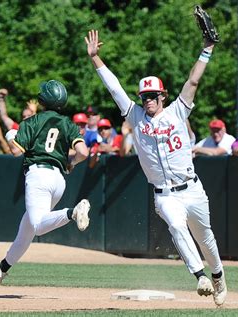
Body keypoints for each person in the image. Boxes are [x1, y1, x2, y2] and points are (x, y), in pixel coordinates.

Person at [85, 29, 227, 306]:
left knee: (206, 238)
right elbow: (115, 88)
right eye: (144, 96)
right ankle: (199, 275)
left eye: (152, 94)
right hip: (165, 194)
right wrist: (96, 59)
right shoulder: (135, 116)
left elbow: (193, 81)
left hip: (192, 188)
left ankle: (218, 275)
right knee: (175, 225)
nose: (147, 99)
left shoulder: (177, 111)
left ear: (162, 95)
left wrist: (207, 49)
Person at [0, 80, 91, 284]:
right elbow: (84, 152)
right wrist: (71, 162)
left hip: (38, 175)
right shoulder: (68, 124)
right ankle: (1, 268)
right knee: (28, 228)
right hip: (59, 179)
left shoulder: (32, 121)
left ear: (42, 101)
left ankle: (72, 212)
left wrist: (10, 134)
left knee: (38, 225)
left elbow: (15, 151)